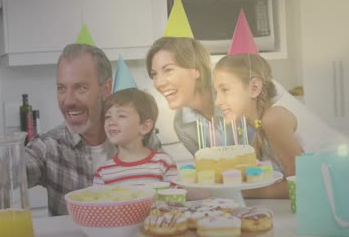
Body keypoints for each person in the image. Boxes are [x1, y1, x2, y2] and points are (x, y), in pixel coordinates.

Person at [0, 43, 162, 216]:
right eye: (61, 88)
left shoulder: (142, 139)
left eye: (80, 88)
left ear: (105, 89)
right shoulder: (51, 146)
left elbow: (168, 200)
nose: (68, 101)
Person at [213, 53, 349, 198]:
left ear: (254, 88)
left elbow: (301, 185)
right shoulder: (255, 121)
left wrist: (229, 192)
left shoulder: (274, 118)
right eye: (216, 92)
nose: (217, 101)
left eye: (225, 90)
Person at [146, 37, 230, 154]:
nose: (159, 83)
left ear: (196, 70)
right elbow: (206, 167)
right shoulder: (181, 126)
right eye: (154, 74)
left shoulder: (232, 94)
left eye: (168, 70)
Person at [93, 88, 178, 186]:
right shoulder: (103, 173)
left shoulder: (164, 163)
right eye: (107, 116)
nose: (111, 122)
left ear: (145, 127)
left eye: (121, 115)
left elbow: (175, 198)